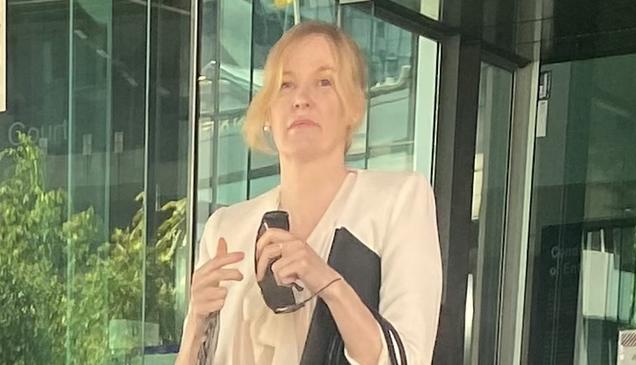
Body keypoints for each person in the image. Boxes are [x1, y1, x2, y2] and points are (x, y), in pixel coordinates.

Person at [175, 21, 443, 365]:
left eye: (324, 82)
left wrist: (328, 282)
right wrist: (195, 324)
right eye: (286, 85)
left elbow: (408, 358)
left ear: (354, 106)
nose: (301, 99)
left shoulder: (398, 200)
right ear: (268, 110)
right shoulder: (225, 229)